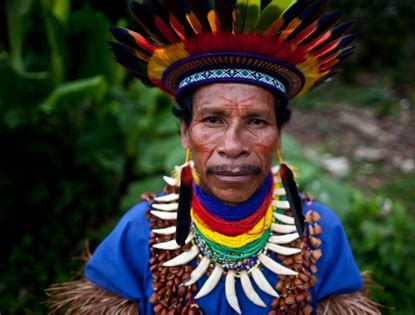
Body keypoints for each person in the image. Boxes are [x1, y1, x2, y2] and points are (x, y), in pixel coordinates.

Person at [47, 0, 380, 314]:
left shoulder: (320, 232)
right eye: (212, 120)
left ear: (278, 133)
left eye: (257, 121)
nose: (233, 145)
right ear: (184, 132)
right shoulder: (139, 234)